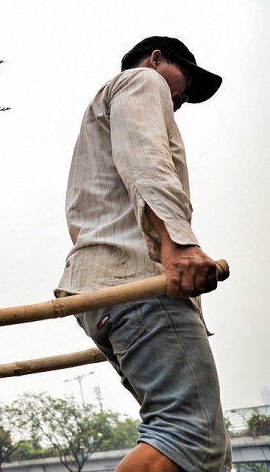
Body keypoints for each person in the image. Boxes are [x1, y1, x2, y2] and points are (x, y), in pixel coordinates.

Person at [56, 37, 230, 472]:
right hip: (138, 285)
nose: (183, 96)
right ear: (157, 60)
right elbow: (146, 161)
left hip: (108, 293)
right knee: (190, 434)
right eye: (185, 80)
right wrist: (178, 243)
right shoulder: (141, 81)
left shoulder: (107, 108)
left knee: (201, 447)